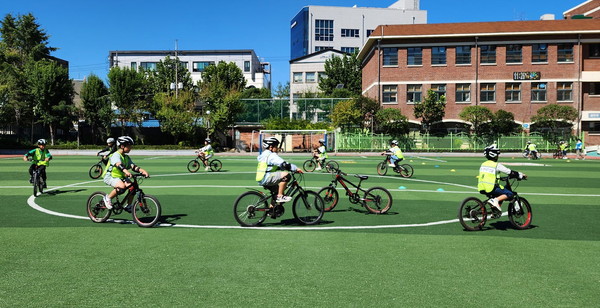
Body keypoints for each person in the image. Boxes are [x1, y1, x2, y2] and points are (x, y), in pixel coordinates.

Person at [102, 136, 149, 209]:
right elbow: (118, 165)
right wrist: (126, 171)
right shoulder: (116, 155)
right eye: (129, 146)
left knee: (132, 187)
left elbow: (133, 167)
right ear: (122, 146)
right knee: (122, 187)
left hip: (121, 177)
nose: (130, 148)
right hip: (110, 176)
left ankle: (128, 205)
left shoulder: (126, 157)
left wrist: (142, 171)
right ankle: (107, 198)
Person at [478, 145, 527, 214]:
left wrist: (499, 178)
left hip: (482, 187)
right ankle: (495, 201)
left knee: (499, 193)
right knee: (510, 194)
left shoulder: (483, 164)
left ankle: (494, 212)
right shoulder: (496, 165)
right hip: (491, 187)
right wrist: (520, 175)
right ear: (495, 156)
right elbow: (509, 172)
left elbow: (488, 175)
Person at [256, 137, 302, 203]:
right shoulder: (271, 155)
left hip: (261, 178)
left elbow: (270, 166)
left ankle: (271, 212)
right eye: (276, 146)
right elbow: (284, 164)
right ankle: (280, 196)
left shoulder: (264, 154)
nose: (277, 148)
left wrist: (281, 168)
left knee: (276, 193)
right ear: (271, 147)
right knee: (286, 175)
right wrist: (295, 168)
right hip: (266, 177)